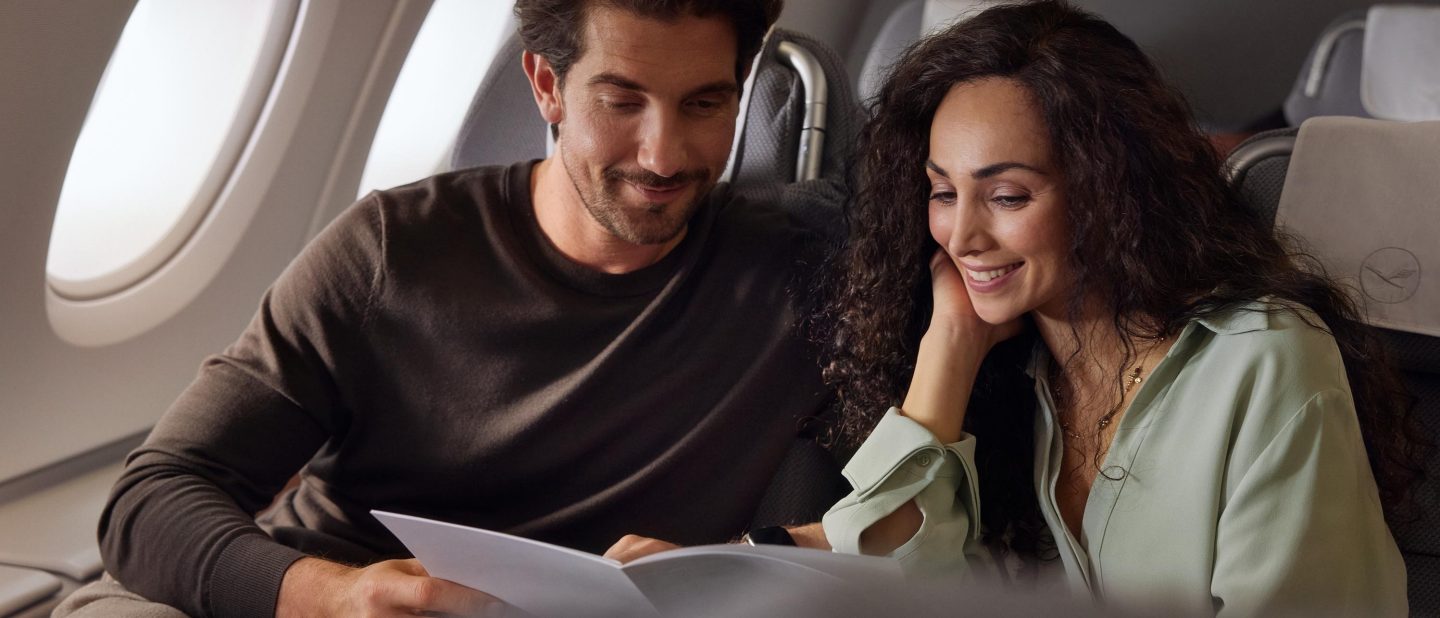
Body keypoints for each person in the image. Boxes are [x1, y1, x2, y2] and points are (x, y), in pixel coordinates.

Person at [57, 1, 852, 616]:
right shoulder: (390, 249)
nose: (664, 154)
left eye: (705, 105)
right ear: (547, 85)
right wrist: (330, 595)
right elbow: (152, 496)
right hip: (336, 591)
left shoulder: (809, 269)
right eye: (621, 101)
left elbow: (926, 507)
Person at [817, 1, 1424, 615]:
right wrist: (948, 348)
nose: (962, 236)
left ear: (1109, 190)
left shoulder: (1264, 360)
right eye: (943, 192)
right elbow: (878, 589)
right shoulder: (1005, 373)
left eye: (1006, 196)